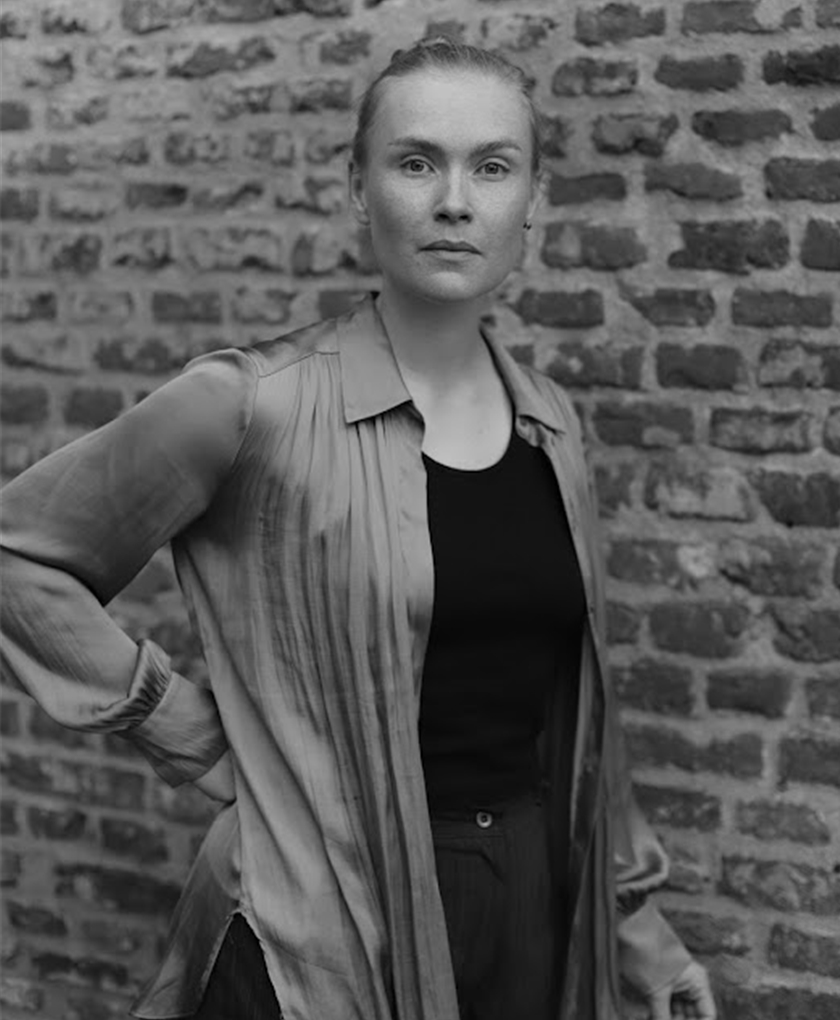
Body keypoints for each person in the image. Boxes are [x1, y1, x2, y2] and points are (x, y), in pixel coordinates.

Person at [0, 36, 716, 1020]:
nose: (454, 201)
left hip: (525, 903)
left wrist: (638, 928)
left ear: (532, 202)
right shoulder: (254, 403)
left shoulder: (551, 422)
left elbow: (575, 705)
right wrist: (193, 737)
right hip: (316, 916)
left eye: (492, 167)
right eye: (416, 163)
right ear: (357, 189)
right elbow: (21, 553)